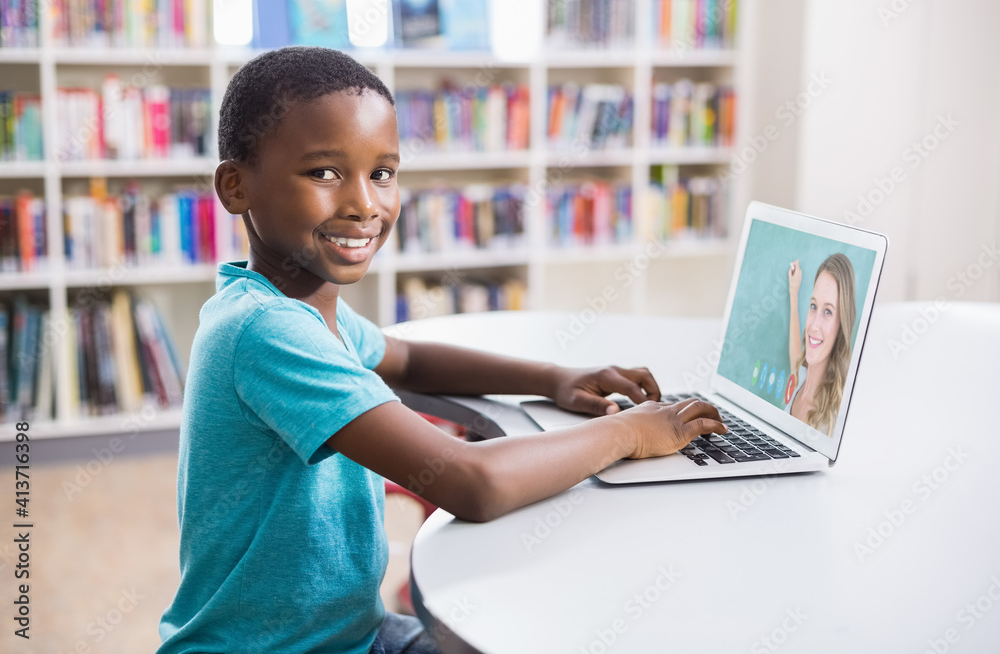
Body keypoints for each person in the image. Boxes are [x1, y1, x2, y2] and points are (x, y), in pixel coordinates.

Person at [157, 46, 727, 654]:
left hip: (350, 633)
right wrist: (628, 434)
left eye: (381, 173)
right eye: (324, 173)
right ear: (236, 186)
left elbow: (408, 358)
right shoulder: (265, 331)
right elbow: (468, 483)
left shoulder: (304, 308)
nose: (364, 204)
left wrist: (555, 376)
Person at [785, 253, 857, 436]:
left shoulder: (832, 420)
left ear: (842, 326)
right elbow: (795, 352)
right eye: (814, 306)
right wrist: (794, 291)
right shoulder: (801, 377)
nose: (814, 325)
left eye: (828, 311)